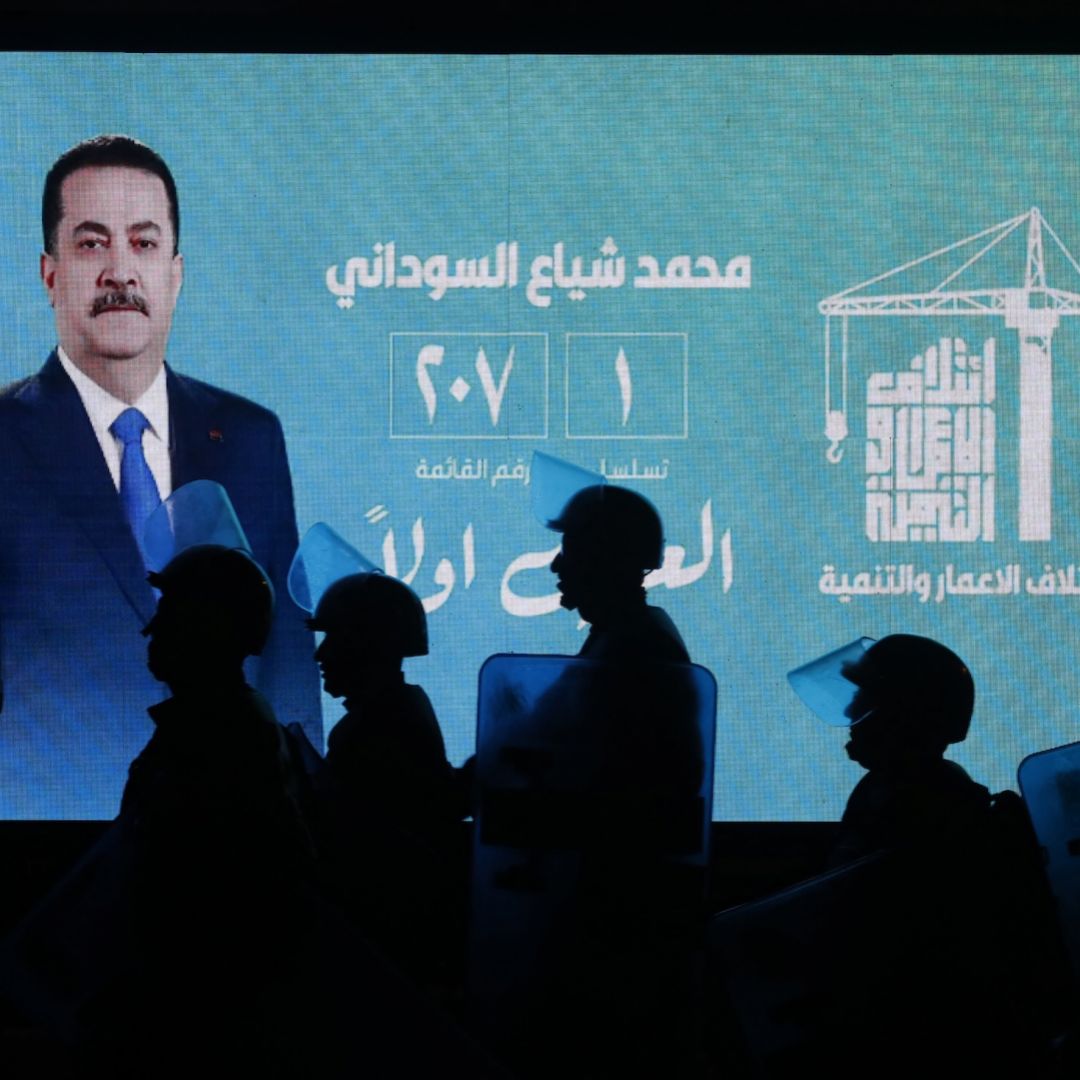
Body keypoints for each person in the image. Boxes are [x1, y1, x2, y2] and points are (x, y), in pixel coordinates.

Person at [0, 134, 321, 818]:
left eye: (143, 244)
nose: (120, 272)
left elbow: (288, 657)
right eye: (91, 245)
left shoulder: (249, 436)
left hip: (238, 839)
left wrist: (305, 814)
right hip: (43, 843)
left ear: (175, 272)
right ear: (49, 273)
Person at [306, 572, 462, 986]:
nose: (321, 655)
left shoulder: (372, 727)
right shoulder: (399, 708)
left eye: (335, 640)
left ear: (366, 646)